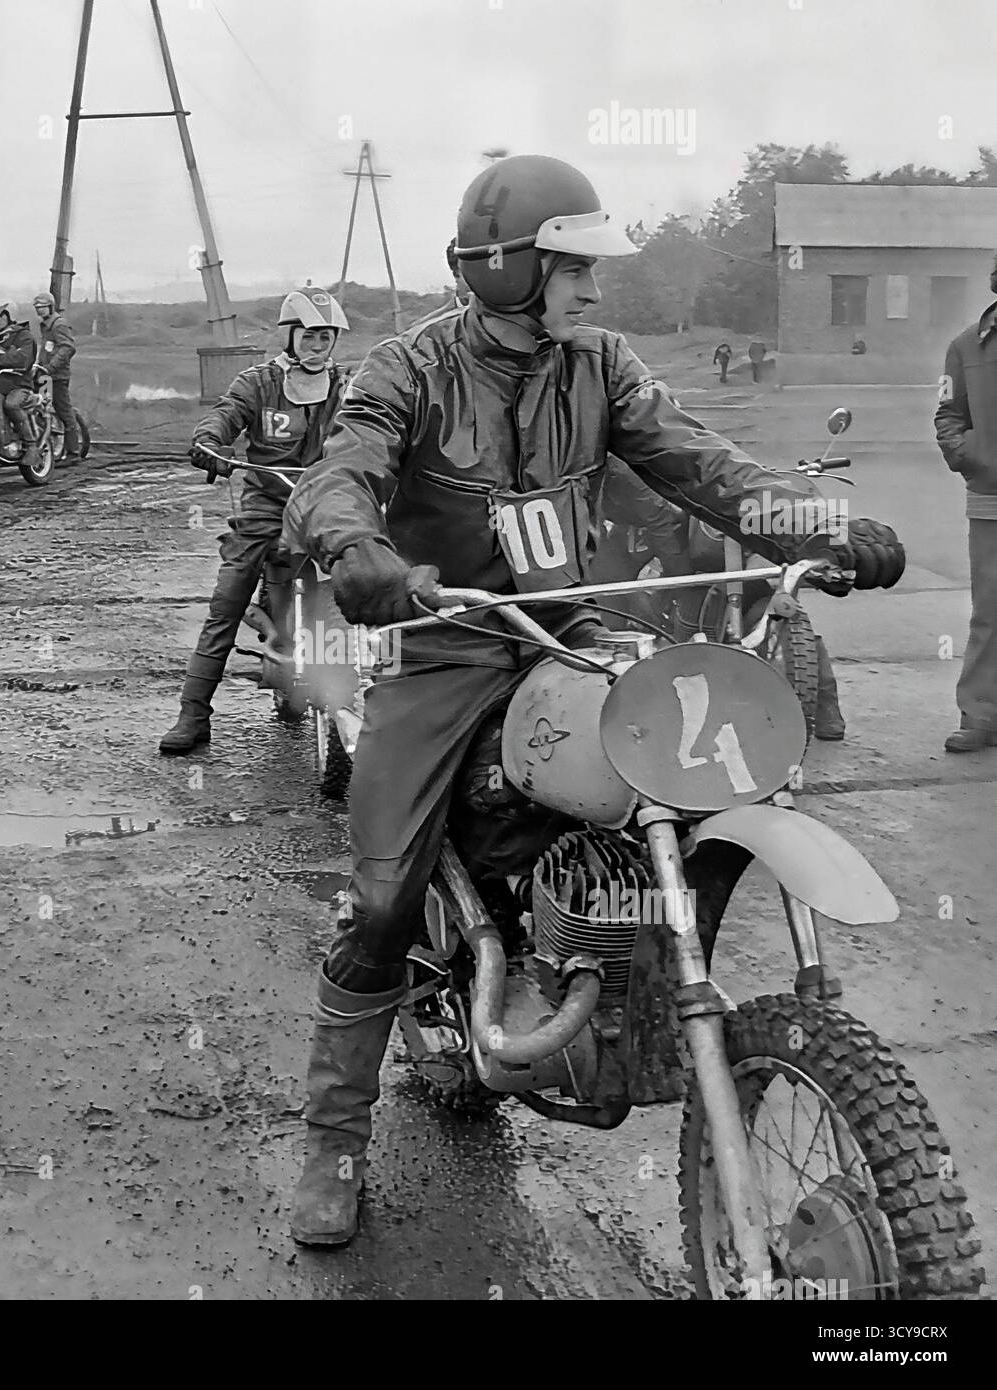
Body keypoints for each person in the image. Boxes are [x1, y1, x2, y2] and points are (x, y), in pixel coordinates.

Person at [279, 154, 906, 1249]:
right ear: (507, 267)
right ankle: (333, 1143)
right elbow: (342, 470)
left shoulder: (601, 365)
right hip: (445, 644)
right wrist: (356, 548)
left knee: (671, 779)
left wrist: (821, 526)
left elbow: (704, 465)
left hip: (567, 632)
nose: (593, 287)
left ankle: (616, 968)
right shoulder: (409, 368)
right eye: (573, 268)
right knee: (381, 902)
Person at [158, 286, 352, 754]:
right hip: (267, 504)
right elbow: (225, 415)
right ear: (290, 336)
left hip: (325, 503)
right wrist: (209, 443)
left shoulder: (346, 387)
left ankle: (359, 703)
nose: (316, 345)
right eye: (308, 336)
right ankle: (193, 714)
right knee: (227, 602)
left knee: (361, 585)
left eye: (325, 337)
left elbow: (378, 424)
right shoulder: (259, 383)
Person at [597, 460, 847, 739]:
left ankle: (826, 710)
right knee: (627, 590)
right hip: (659, 532)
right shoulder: (626, 482)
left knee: (777, 602)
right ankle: (641, 696)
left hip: (723, 547)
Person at [934, 254, 997, 752]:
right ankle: (980, 714)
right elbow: (948, 413)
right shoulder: (967, 345)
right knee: (990, 613)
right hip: (991, 498)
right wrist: (970, 456)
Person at [0, 300, 39, 470]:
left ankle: (31, 445)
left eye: (0, 315)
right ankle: (2, 442)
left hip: (20, 384)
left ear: (10, 315)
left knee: (12, 404)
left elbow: (23, 360)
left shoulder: (24, 336)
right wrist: (0, 360)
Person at [32, 291, 80, 462]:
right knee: (41, 406)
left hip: (57, 376)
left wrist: (50, 367)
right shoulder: (45, 325)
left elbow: (68, 348)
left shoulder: (58, 324)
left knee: (63, 410)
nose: (39, 310)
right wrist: (38, 366)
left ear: (51, 307)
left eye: (43, 307)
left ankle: (73, 452)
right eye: (37, 307)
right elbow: (46, 349)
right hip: (46, 375)